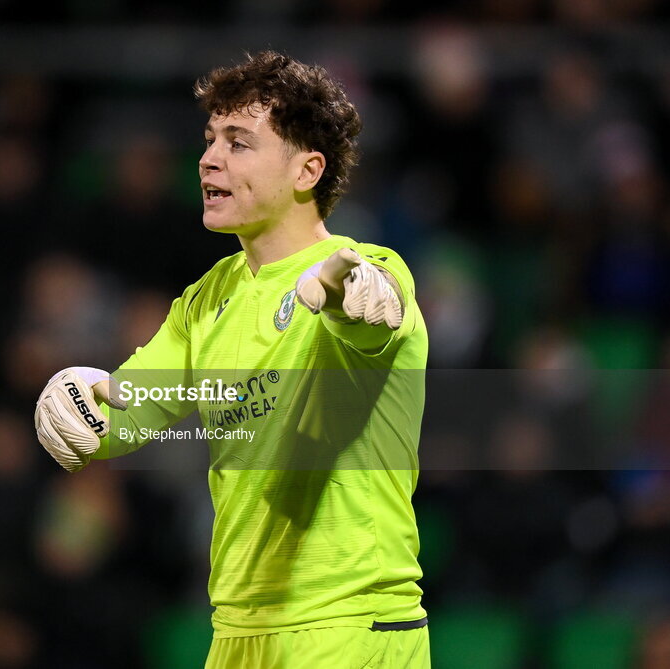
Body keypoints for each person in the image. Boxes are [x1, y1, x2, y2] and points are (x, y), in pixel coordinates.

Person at [33, 51, 430, 668]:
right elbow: (128, 411)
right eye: (210, 139)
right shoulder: (206, 299)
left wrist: (354, 296)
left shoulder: (369, 269)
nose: (209, 158)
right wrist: (77, 410)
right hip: (237, 632)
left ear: (306, 170)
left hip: (347, 627)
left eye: (238, 143)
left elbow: (371, 312)